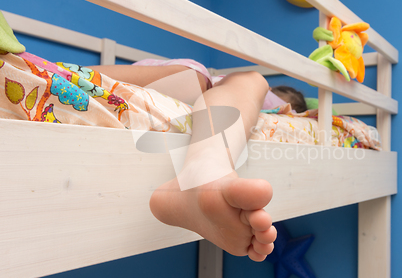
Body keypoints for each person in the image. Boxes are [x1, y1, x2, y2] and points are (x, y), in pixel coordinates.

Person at [90, 60, 277, 262]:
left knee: (232, 79)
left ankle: (204, 171)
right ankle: (203, 169)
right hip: (197, 77)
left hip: (192, 79)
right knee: (250, 78)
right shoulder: (235, 84)